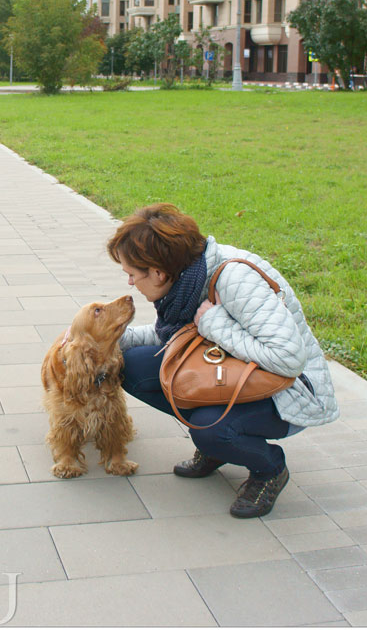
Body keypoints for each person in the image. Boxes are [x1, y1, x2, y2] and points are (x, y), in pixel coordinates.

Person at [106, 203, 338, 518]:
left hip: (289, 392)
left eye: (133, 274)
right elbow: (175, 338)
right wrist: (100, 339)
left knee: (210, 429)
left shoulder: (234, 278)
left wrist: (215, 325)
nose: (130, 283)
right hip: (231, 371)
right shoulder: (187, 278)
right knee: (131, 364)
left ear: (158, 272)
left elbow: (288, 359)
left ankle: (268, 468)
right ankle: (219, 447)